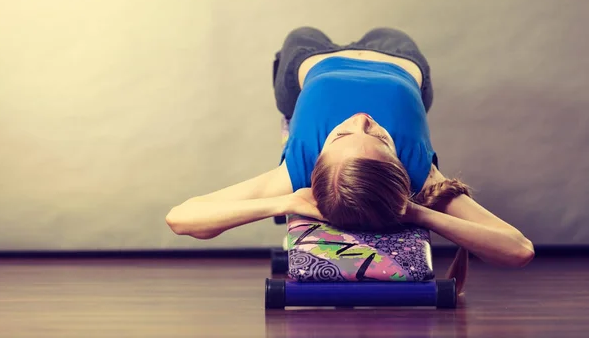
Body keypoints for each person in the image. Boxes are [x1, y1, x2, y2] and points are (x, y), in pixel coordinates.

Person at [166, 27, 534, 293]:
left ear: (318, 160)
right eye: (377, 138)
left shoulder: (297, 171)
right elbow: (518, 249)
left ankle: (289, 111)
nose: (361, 120)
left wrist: (286, 201)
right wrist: (419, 211)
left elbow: (181, 218)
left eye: (340, 136)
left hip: (305, 63)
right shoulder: (421, 174)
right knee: (388, 31)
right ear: (398, 168)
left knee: (299, 38)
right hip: (398, 56)